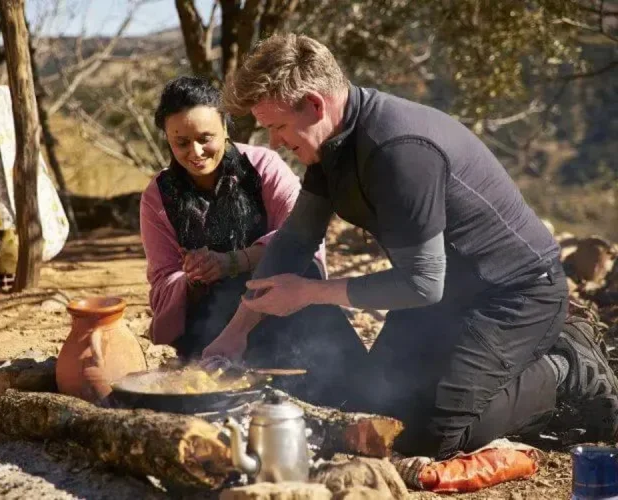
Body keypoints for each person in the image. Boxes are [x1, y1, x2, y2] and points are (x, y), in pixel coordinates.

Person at [202, 34, 618, 459]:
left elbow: (422, 284)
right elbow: (295, 240)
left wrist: (308, 292)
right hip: (444, 294)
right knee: (373, 410)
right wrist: (235, 333)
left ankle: (565, 367)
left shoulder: (398, 151)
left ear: (314, 104)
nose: (274, 142)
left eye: (277, 127)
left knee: (432, 435)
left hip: (516, 296)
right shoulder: (332, 145)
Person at [140, 76, 366, 403]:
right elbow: (162, 282)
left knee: (304, 278)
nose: (195, 152)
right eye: (181, 143)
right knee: (219, 396)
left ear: (225, 128)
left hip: (279, 306)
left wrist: (233, 261)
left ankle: (356, 394)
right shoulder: (157, 196)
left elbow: (303, 238)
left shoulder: (263, 166)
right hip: (210, 323)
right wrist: (191, 279)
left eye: (205, 138)